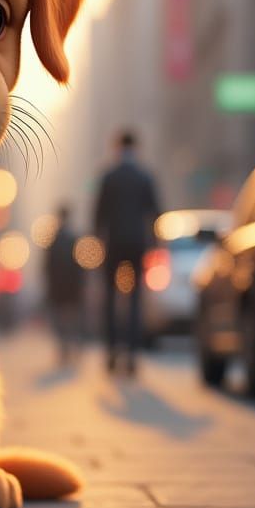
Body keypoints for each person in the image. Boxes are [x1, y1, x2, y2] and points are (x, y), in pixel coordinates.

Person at [93, 130, 160, 375]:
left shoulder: (109, 176)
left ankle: (112, 351)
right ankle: (132, 353)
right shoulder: (145, 177)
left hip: (113, 244)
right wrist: (154, 244)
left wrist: (97, 242)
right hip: (137, 244)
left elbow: (98, 214)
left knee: (110, 299)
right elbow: (155, 212)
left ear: (117, 147)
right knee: (134, 300)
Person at [44, 204, 85, 366]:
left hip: (57, 287)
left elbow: (46, 266)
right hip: (72, 287)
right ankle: (73, 347)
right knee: (73, 319)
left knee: (59, 319)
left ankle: (64, 349)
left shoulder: (53, 240)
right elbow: (80, 266)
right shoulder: (75, 239)